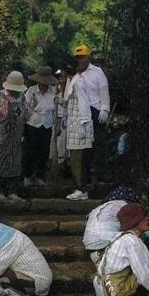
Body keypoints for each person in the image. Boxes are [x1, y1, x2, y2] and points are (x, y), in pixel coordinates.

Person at [73, 44, 110, 185]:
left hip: (96, 109)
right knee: (84, 147)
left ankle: (102, 174)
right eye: (78, 58)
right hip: (81, 112)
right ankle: (86, 176)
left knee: (99, 144)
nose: (80, 60)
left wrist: (105, 108)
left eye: (82, 57)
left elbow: (103, 89)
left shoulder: (97, 72)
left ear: (88, 57)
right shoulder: (74, 73)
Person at [0, 71, 27, 201]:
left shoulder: (22, 97)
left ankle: (12, 191)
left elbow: (27, 113)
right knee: (1, 164)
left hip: (16, 137)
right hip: (2, 138)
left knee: (14, 163)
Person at [61, 56, 93, 201]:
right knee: (75, 156)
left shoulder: (78, 83)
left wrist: (83, 122)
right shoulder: (73, 81)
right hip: (75, 123)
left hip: (80, 124)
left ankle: (82, 189)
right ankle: (80, 186)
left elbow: (84, 103)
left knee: (77, 158)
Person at [23, 66, 58, 187]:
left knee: (44, 152)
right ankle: (27, 176)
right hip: (32, 123)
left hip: (47, 124)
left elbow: (56, 109)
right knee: (29, 151)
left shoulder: (53, 92)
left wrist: (56, 125)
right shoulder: (31, 91)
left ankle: (40, 176)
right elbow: (25, 107)